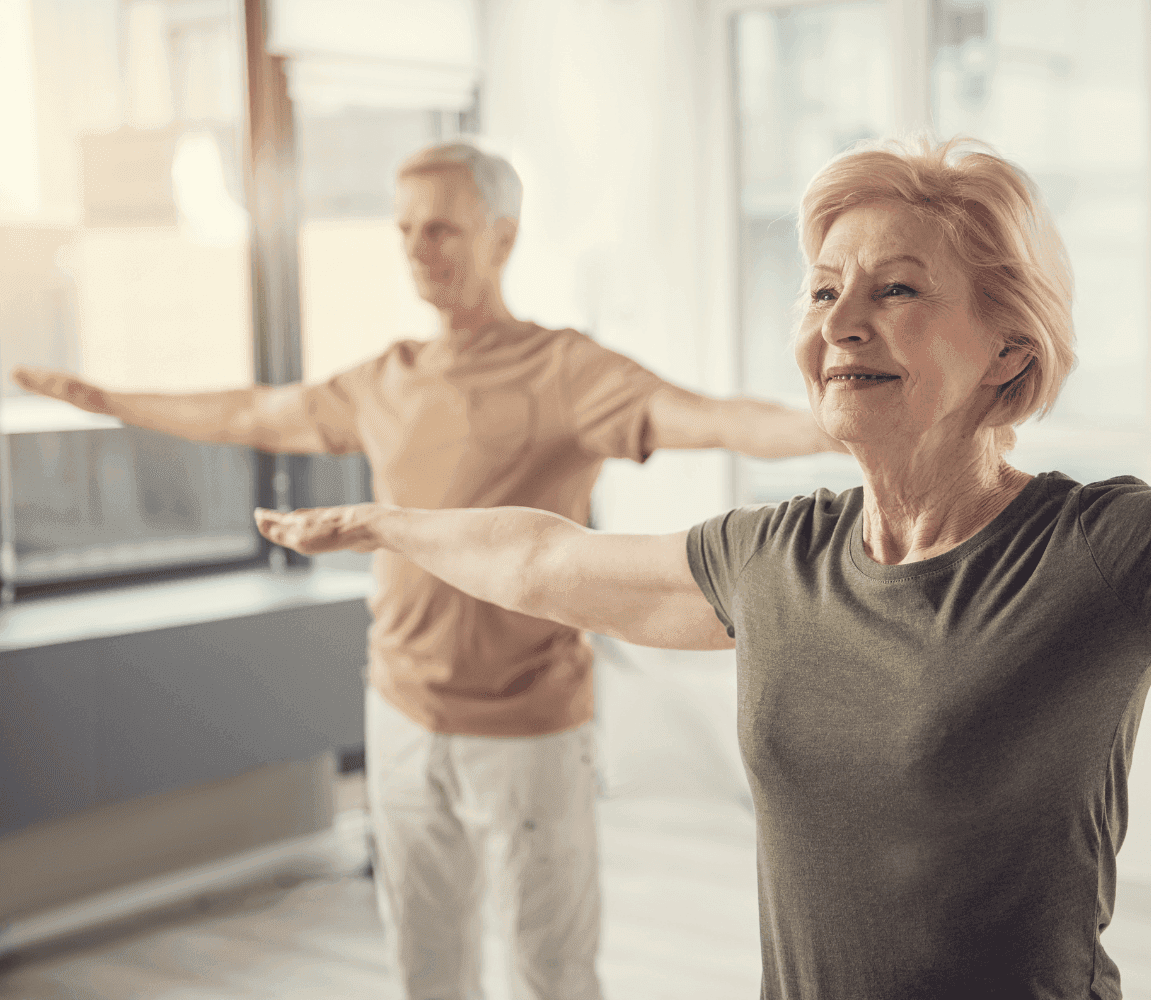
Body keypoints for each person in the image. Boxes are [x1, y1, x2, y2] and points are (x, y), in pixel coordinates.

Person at [256, 135, 1151, 1000]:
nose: (840, 319)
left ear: (1010, 352)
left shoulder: (1095, 553)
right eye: (822, 288)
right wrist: (389, 525)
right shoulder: (772, 558)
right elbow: (543, 555)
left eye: (897, 290)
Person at [11, 140, 845, 1000]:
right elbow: (252, 410)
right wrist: (111, 403)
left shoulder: (565, 371)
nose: (418, 249)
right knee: (424, 965)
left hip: (527, 729)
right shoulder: (387, 379)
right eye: (407, 229)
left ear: (502, 238)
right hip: (401, 713)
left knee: (550, 972)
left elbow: (709, 417)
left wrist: (839, 420)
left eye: (442, 229)